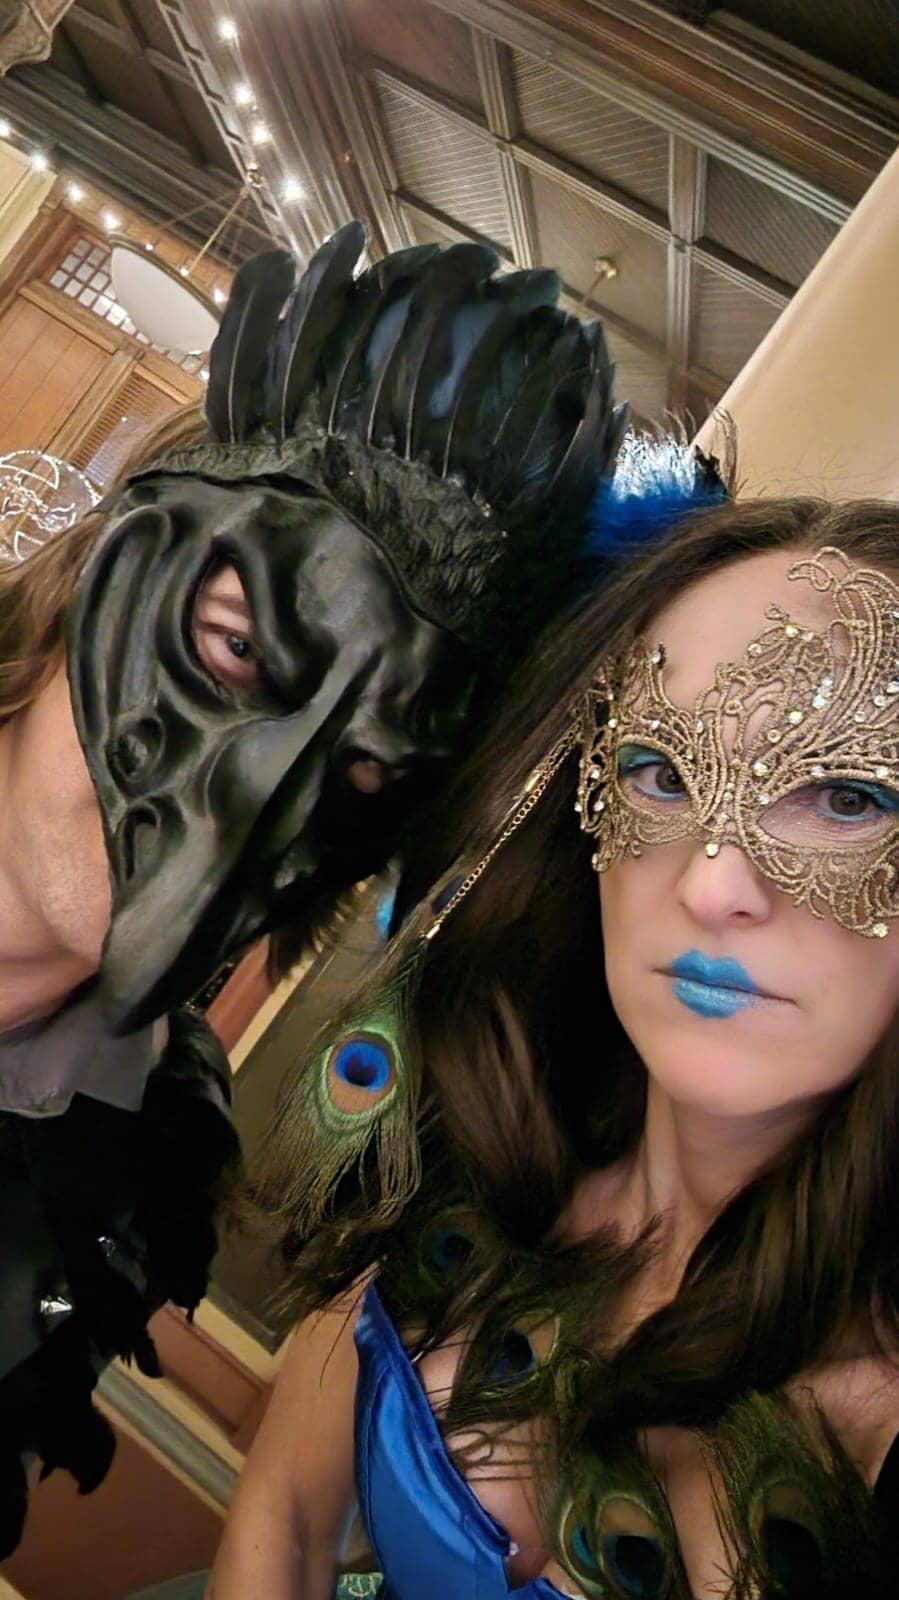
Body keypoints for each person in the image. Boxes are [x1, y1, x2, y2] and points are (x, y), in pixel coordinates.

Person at [0, 220, 627, 1553]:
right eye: (233, 653)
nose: (244, 813)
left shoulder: (137, 1169)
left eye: (354, 776)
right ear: (103, 569)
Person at [210, 490, 899, 1598]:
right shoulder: (472, 1167)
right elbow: (285, 1515)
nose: (711, 885)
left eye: (847, 795)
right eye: (661, 772)